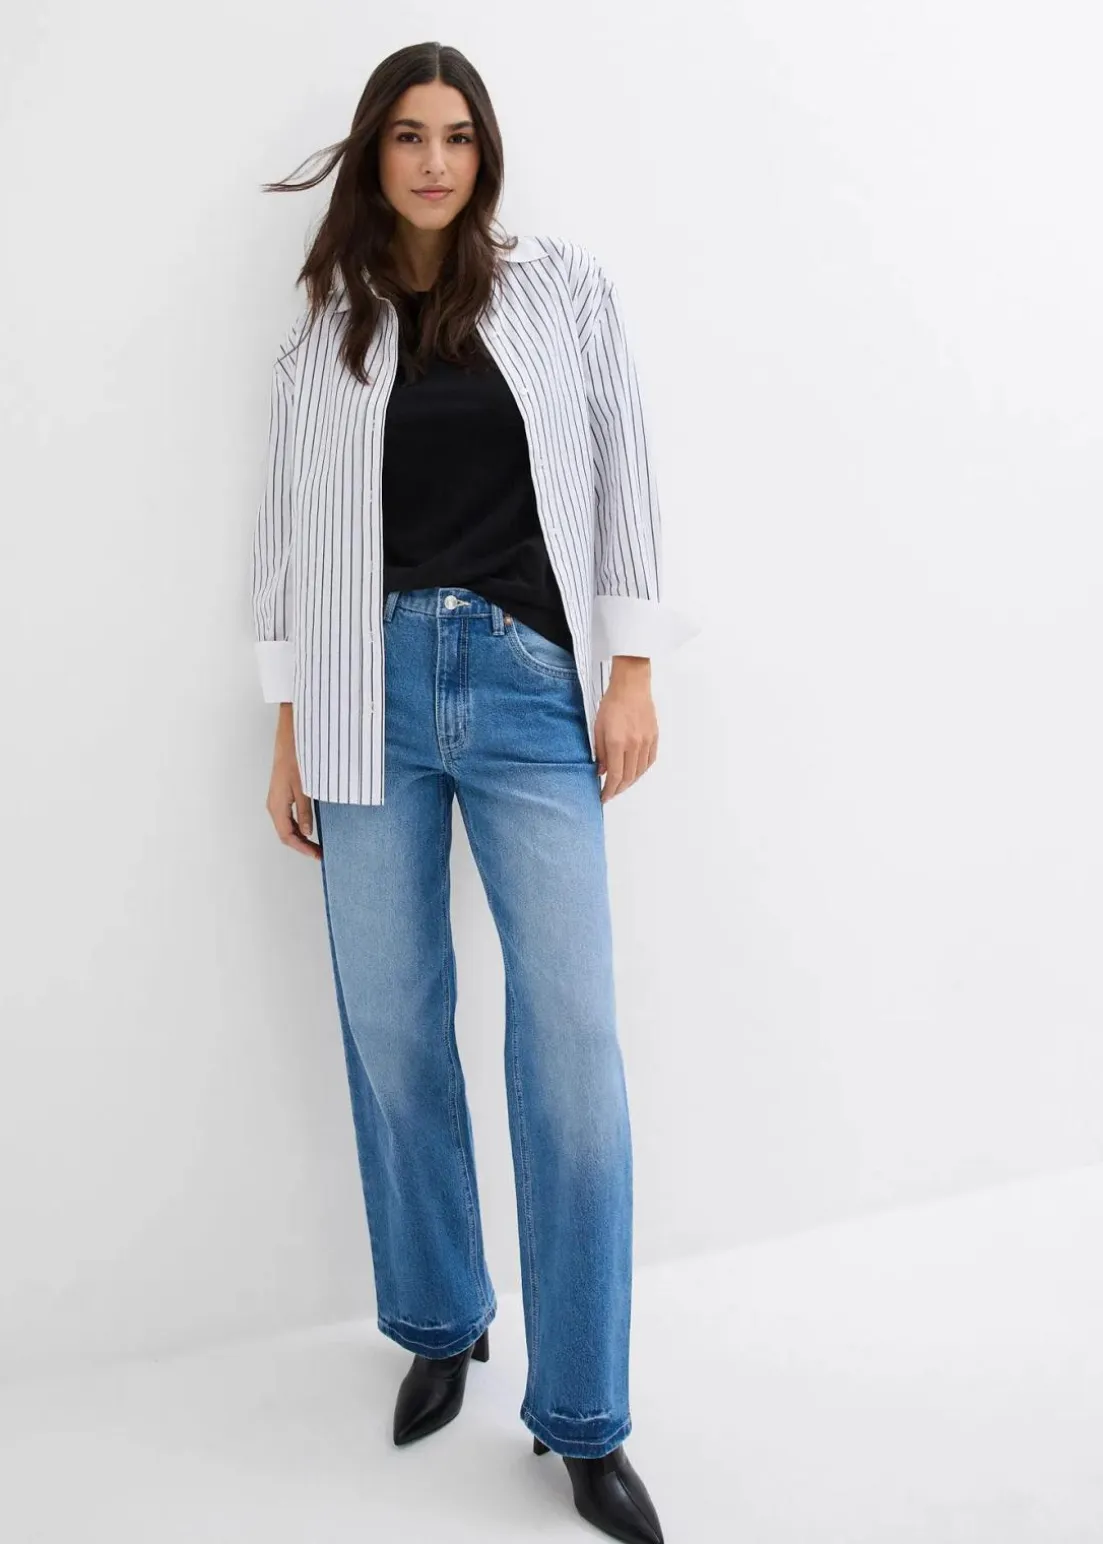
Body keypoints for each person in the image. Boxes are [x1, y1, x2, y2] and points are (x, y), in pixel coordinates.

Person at [250, 40, 697, 1544]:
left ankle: (583, 1415)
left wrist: (632, 669)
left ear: (483, 152)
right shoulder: (325, 334)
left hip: (526, 688)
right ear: (373, 156)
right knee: (389, 1021)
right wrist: (287, 728)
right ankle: (444, 1321)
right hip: (364, 690)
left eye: (455, 135)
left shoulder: (562, 292)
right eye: (406, 136)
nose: (433, 161)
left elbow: (626, 466)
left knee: (571, 1049)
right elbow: (288, 535)